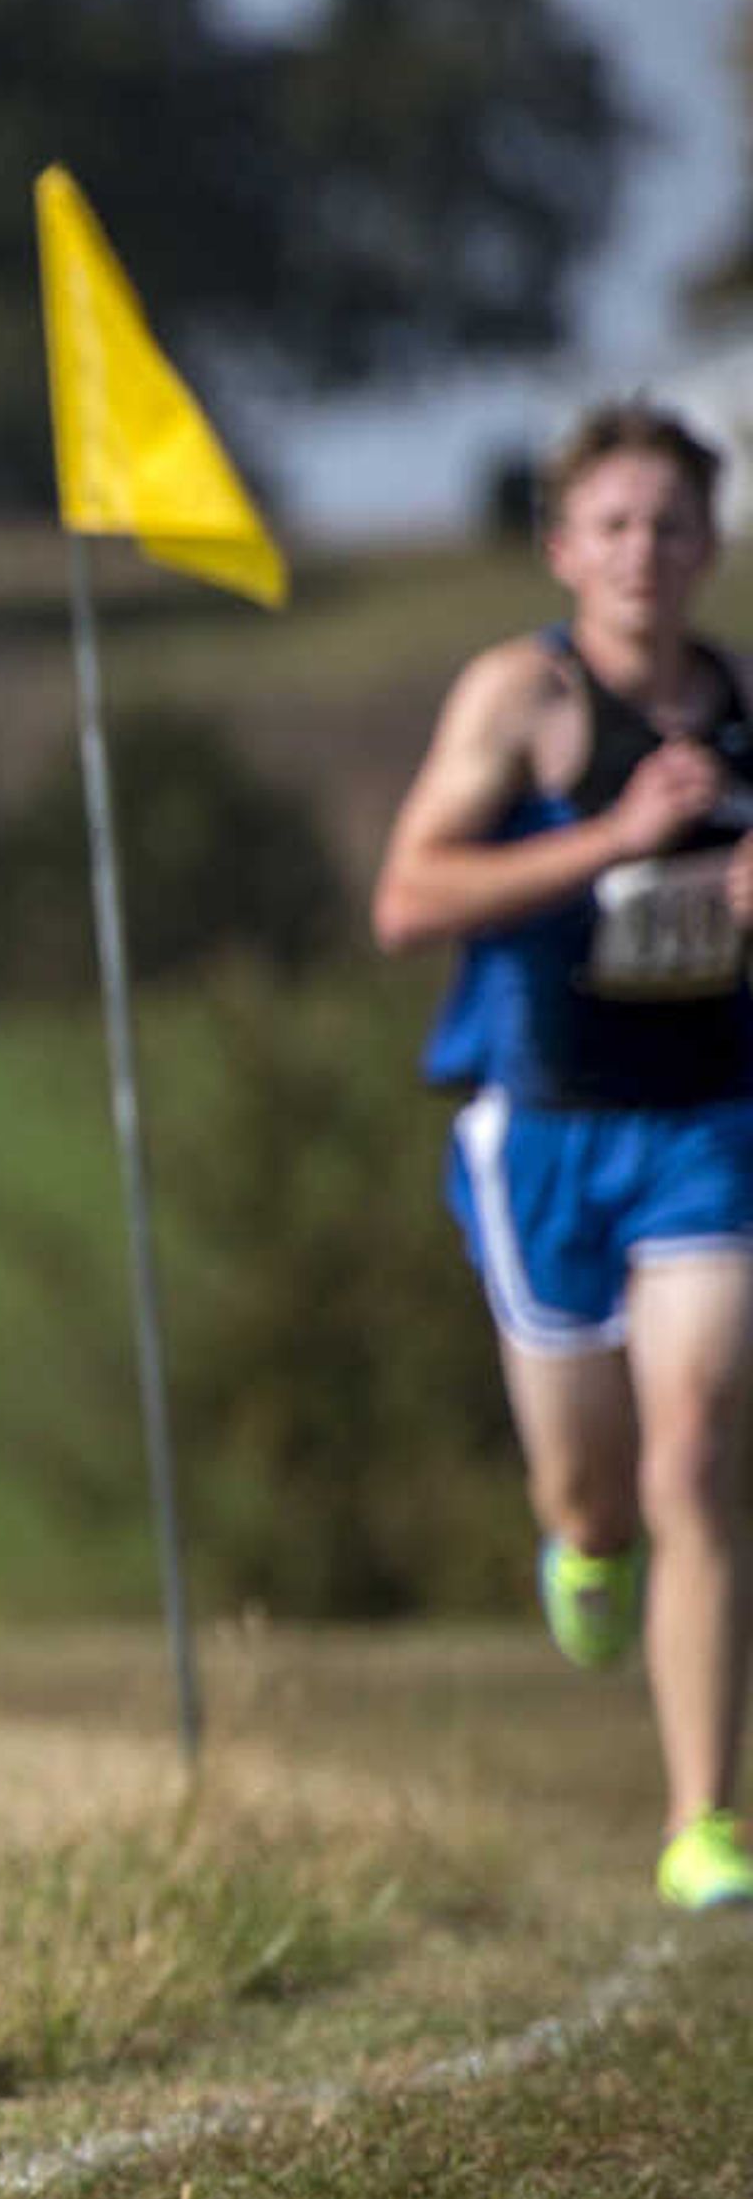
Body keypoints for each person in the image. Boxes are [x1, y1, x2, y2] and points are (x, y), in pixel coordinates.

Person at [374, 399, 753, 1915]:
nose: (643, 553)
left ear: (710, 544)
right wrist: (613, 839)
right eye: (613, 524)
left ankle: (703, 1820)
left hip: (710, 1129)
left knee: (696, 1459)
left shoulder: (738, 708)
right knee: (599, 1494)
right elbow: (409, 899)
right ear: (562, 547)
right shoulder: (522, 700)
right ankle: (580, 1549)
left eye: (670, 524)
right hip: (544, 1134)